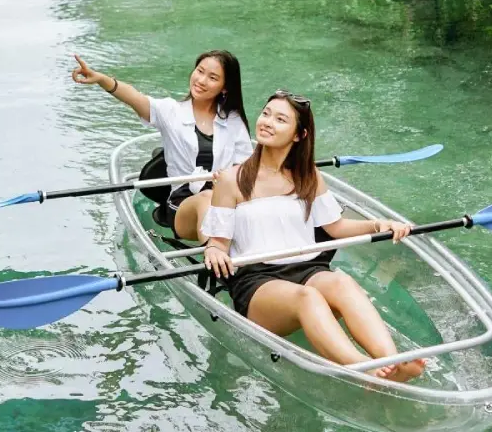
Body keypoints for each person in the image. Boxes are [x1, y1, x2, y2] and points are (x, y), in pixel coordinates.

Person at [199, 90, 427, 382]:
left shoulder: (309, 177)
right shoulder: (232, 179)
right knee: (308, 297)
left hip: (308, 268)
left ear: (299, 134)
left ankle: (392, 361)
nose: (267, 122)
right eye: (266, 113)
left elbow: (336, 227)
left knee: (341, 282)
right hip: (257, 280)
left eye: (280, 119)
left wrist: (377, 225)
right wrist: (214, 250)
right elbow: (218, 242)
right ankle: (365, 370)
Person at [70, 50, 253, 241]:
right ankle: (218, 263)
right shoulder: (170, 111)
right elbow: (134, 97)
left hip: (225, 198)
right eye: (200, 71)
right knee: (208, 199)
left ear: (225, 87)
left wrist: (227, 181)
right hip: (184, 203)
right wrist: (101, 79)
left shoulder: (233, 120)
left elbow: (245, 168)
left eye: (212, 77)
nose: (201, 80)